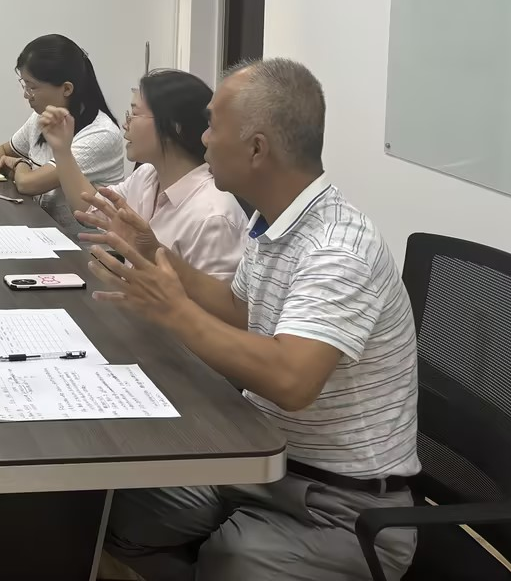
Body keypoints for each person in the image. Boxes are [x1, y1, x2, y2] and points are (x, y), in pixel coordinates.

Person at [83, 58, 419, 581]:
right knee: (109, 501)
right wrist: (154, 252)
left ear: (257, 149)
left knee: (229, 560)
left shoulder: (338, 250)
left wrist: (175, 312)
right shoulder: (273, 220)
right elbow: (241, 310)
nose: (203, 138)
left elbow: (291, 380)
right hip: (257, 462)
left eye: (213, 125)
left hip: (340, 506)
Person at [40, 69, 247, 278]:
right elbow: (90, 209)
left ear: (174, 127)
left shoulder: (213, 216)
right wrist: (62, 149)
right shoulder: (147, 175)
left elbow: (213, 298)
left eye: (134, 114)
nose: (125, 124)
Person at [0, 34, 124, 227]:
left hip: (80, 241)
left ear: (67, 89)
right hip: (42, 227)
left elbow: (28, 184)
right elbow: (5, 150)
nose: (27, 95)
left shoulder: (100, 135)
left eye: (32, 87)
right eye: (24, 85)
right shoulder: (43, 116)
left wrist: (18, 163)